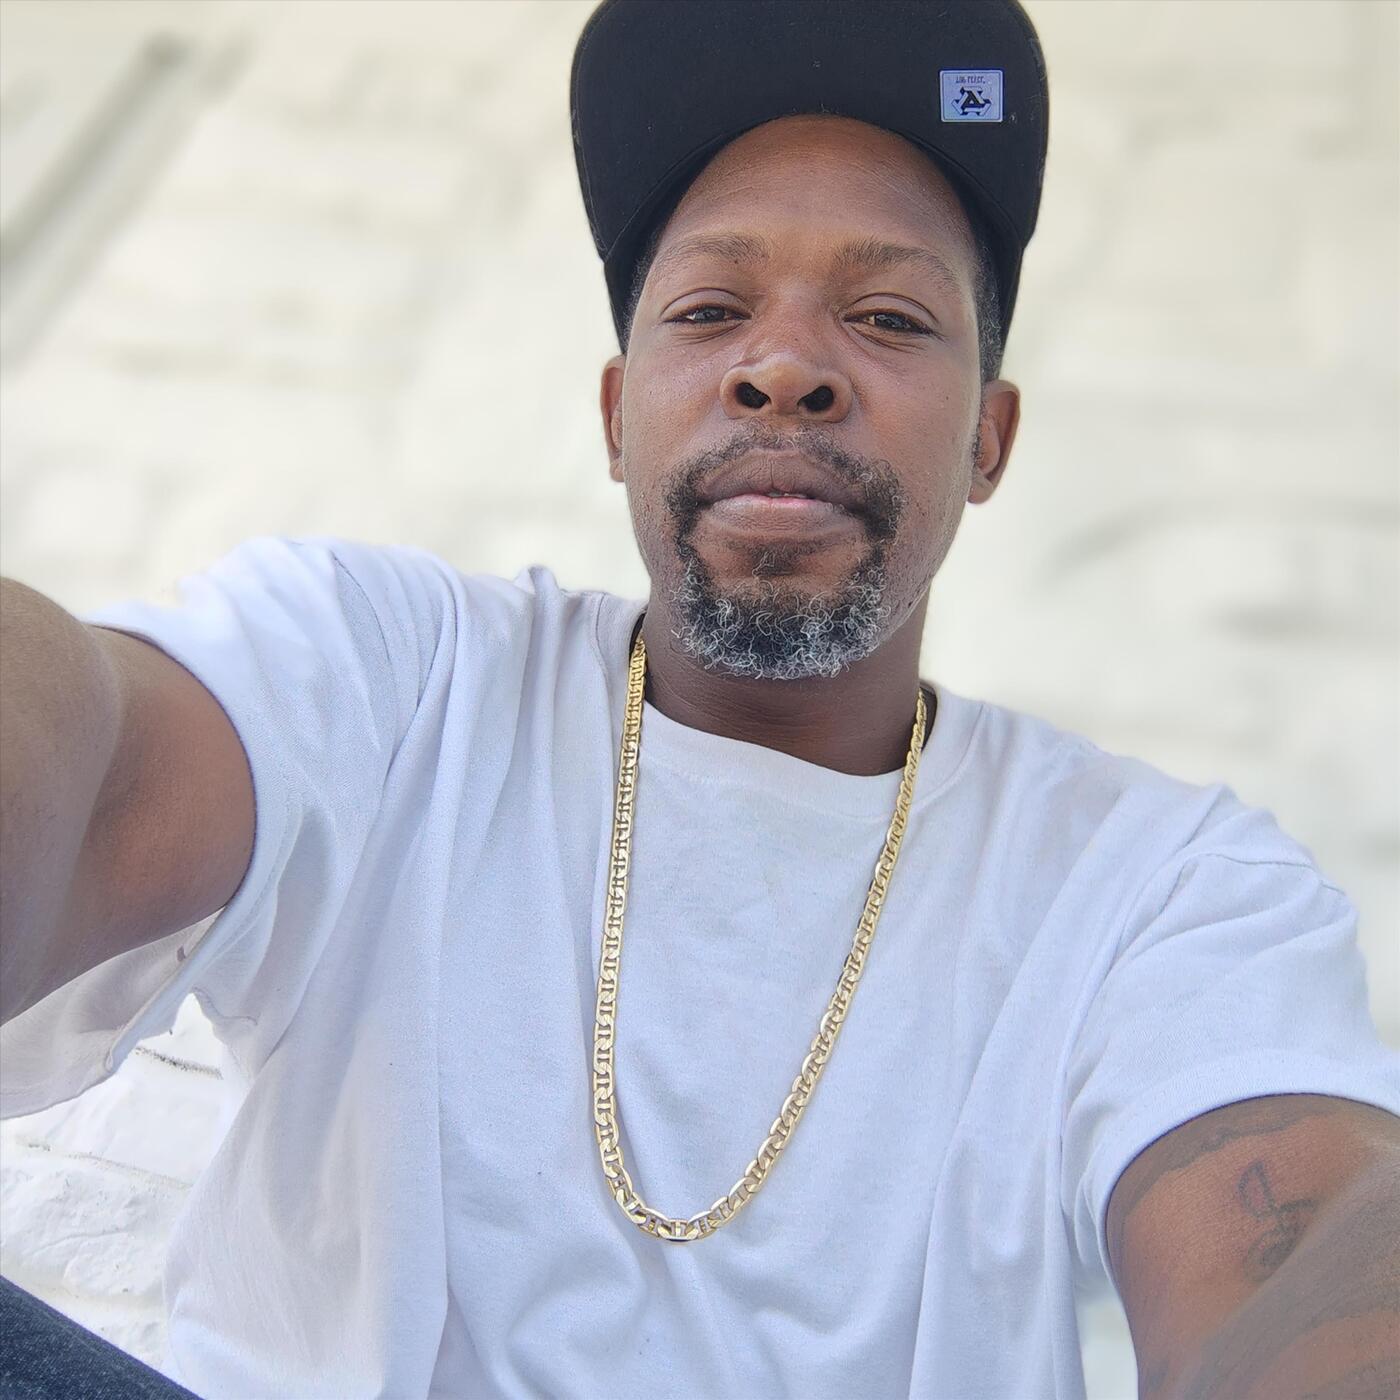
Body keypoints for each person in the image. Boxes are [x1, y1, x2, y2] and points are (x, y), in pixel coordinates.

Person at [1, 1, 1397, 1397]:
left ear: (988, 438)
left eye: (889, 317)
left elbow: (1308, 1251)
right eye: (712, 311)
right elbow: (91, 747)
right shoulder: (395, 676)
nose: (783, 368)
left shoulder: (1159, 889)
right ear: (619, 416)